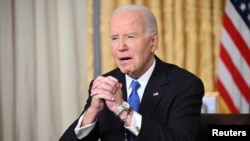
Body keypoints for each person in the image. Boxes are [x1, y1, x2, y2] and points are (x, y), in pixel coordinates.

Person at [60, 4, 204, 141]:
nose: (121, 46)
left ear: (153, 42)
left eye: (130, 36)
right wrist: (92, 113)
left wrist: (122, 110)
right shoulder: (105, 84)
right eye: (115, 38)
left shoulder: (185, 85)